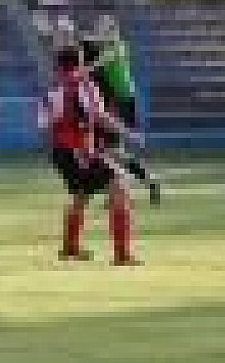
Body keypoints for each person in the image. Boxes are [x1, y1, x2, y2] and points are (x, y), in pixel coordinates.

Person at [40, 46, 141, 265]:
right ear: (80, 62)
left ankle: (70, 248)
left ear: (58, 66)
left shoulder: (53, 89)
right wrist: (127, 133)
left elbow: (44, 124)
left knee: (81, 193)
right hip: (79, 150)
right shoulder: (85, 86)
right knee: (119, 184)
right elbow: (101, 117)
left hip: (60, 151)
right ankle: (122, 254)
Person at [82, 15, 161, 206]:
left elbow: (98, 62)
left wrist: (80, 71)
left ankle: (133, 187)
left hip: (124, 102)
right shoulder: (107, 45)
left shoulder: (117, 46)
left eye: (104, 28)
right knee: (112, 151)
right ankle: (140, 184)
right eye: (99, 27)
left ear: (113, 30)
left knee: (112, 150)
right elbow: (91, 42)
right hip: (118, 101)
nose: (100, 31)